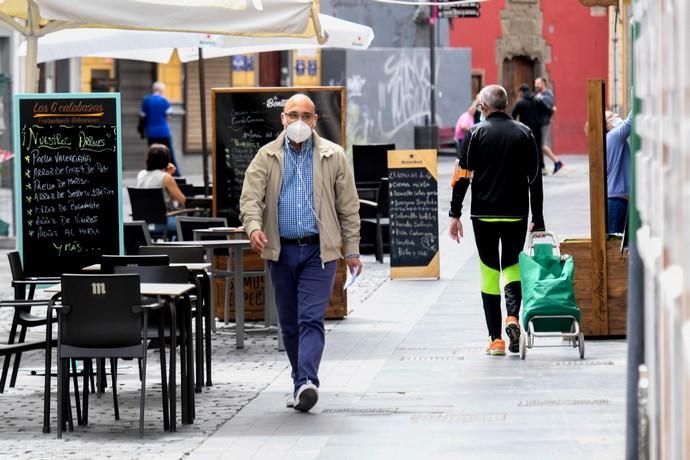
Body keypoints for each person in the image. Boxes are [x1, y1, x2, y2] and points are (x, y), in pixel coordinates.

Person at [239, 93, 362, 412]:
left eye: (305, 116)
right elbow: (249, 199)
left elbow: (348, 207)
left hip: (318, 252)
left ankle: (308, 380)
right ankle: (300, 383)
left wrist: (352, 251)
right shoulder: (266, 156)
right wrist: (253, 227)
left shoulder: (333, 156)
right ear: (282, 119)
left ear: (315, 120)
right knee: (289, 323)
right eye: (292, 115)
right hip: (280, 251)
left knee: (310, 318)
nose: (298, 122)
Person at [448, 84, 545, 356]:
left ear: (484, 107)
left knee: (489, 272)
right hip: (516, 214)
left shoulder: (475, 133)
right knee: (513, 266)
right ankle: (512, 317)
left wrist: (454, 214)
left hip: (483, 214)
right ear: (506, 105)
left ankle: (496, 340)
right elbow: (535, 180)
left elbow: (462, 177)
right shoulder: (524, 133)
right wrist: (538, 218)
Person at [136, 143, 186, 237]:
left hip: (145, 223)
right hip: (163, 223)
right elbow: (182, 200)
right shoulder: (166, 178)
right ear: (166, 161)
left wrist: (166, 173)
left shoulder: (141, 174)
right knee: (190, 223)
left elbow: (155, 178)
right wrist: (169, 174)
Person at [139, 81, 180, 176]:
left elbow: (142, 116)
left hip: (151, 133)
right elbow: (169, 114)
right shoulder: (164, 100)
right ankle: (175, 174)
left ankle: (152, 174)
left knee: (153, 155)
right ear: (161, 90)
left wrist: (142, 130)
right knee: (169, 155)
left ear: (153, 89)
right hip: (164, 132)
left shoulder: (147, 100)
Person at [604, 110, 632, 234]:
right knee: (615, 242)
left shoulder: (608, 139)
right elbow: (630, 122)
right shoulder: (613, 137)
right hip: (616, 200)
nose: (616, 116)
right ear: (605, 125)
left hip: (615, 198)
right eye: (610, 117)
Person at [534, 77, 564, 174]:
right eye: (535, 83)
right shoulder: (540, 95)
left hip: (544, 123)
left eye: (538, 83)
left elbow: (548, 107)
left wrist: (540, 99)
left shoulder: (547, 94)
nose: (536, 85)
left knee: (542, 145)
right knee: (541, 145)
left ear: (543, 84)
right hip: (541, 122)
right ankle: (551, 164)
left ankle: (557, 162)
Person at [511, 83, 543, 153]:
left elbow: (513, 116)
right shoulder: (537, 100)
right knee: (538, 147)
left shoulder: (520, 103)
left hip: (525, 128)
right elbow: (544, 111)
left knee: (526, 148)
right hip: (537, 128)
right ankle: (540, 164)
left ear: (521, 92)